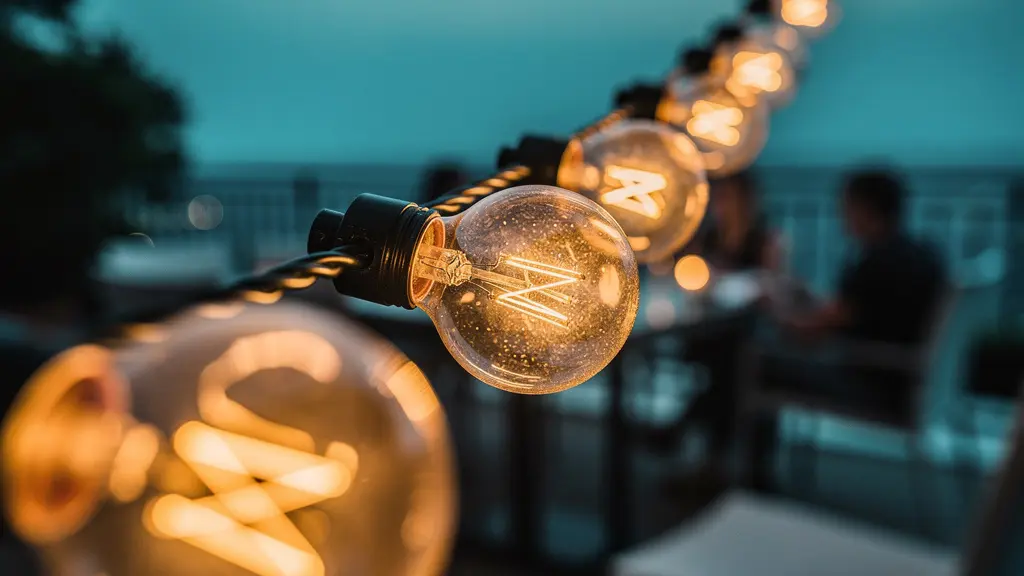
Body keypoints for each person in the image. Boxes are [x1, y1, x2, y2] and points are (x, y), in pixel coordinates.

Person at [748, 167, 950, 491]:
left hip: (875, 383)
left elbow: (809, 332)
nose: (841, 216)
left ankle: (749, 478)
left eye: (845, 206)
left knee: (754, 363)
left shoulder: (876, 263)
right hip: (911, 381)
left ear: (863, 209)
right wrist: (807, 298)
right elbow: (853, 312)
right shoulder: (920, 254)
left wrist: (772, 307)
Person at [693, 170, 785, 272]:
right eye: (717, 198)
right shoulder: (707, 239)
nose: (720, 206)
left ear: (742, 200)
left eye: (726, 197)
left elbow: (772, 275)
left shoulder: (766, 241)